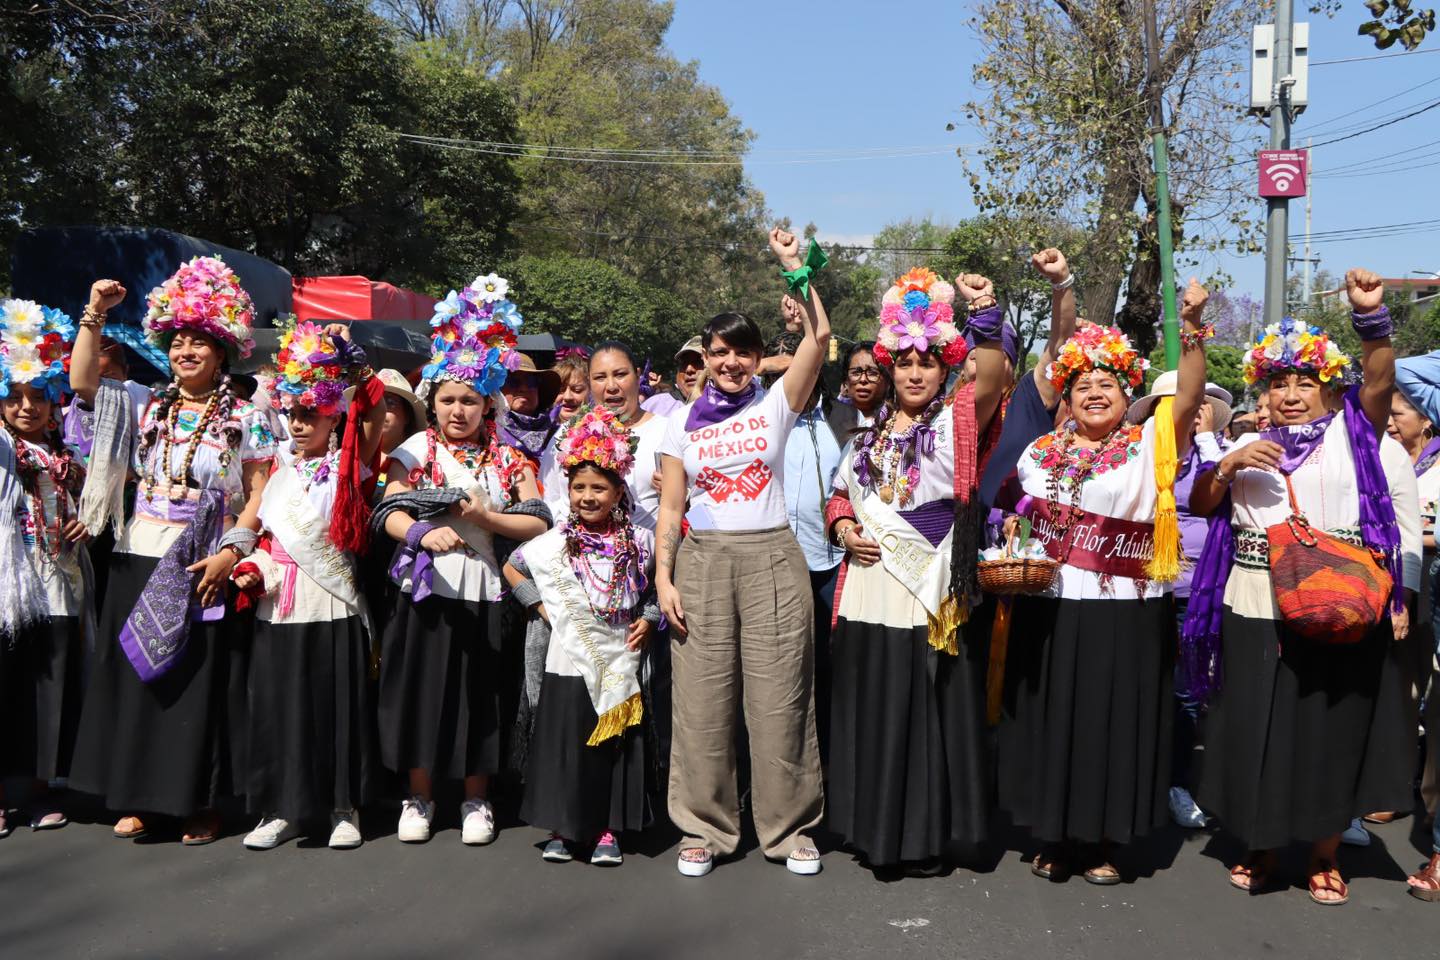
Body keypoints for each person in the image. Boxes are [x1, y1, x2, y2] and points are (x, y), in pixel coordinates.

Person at [1187, 270, 1419, 906]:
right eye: (1279, 382)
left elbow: (1379, 378)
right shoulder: (1244, 441)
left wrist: (1371, 318)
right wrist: (1228, 464)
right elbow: (1208, 503)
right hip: (1256, 601)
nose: (1291, 394)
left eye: (1305, 382)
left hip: (1340, 600)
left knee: (1329, 729)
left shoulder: (1355, 431)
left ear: (1328, 387)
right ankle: (1259, 843)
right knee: (1256, 726)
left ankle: (1322, 853)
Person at [996, 279, 1210, 885]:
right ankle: (1056, 834)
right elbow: (1017, 516)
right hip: (1052, 606)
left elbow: (1188, 395)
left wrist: (1190, 327)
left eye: (1106, 384)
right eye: (1082, 385)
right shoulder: (1038, 453)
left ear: (1126, 393)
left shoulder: (1148, 445)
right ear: (1066, 398)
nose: (1094, 393)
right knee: (1054, 720)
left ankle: (1107, 840)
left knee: (1112, 725)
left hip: (1125, 612)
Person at [68, 260, 276, 845]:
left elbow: (260, 489)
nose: (186, 351)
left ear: (221, 353)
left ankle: (200, 804)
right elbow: (84, 383)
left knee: (197, 682)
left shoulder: (247, 415)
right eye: (178, 342)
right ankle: (139, 796)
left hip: (202, 558)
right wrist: (95, 312)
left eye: (199, 342)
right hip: (139, 550)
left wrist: (232, 553)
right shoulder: (143, 403)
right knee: (138, 675)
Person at [820, 265, 1011, 873]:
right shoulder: (864, 437)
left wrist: (983, 314)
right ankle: (867, 826)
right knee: (871, 707)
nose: (914, 373)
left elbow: (994, 377)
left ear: (945, 367)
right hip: (868, 593)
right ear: (887, 369)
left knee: (921, 712)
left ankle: (920, 835)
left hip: (925, 592)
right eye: (903, 363)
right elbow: (840, 497)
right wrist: (845, 529)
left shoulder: (958, 423)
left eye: (927, 363)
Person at [655, 226, 830, 878]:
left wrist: (796, 271)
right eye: (720, 352)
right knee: (702, 702)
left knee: (781, 699)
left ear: (758, 358)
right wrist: (664, 578)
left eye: (743, 352)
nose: (731, 362)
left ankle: (789, 831)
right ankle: (704, 828)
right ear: (704, 356)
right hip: (702, 562)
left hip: (773, 560)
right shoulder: (679, 421)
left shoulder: (778, 404)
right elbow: (671, 507)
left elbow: (819, 339)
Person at [374, 273, 550, 846]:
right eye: (447, 399)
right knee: (421, 692)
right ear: (432, 403)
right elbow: (388, 512)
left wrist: (484, 521)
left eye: (468, 400)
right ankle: (419, 796)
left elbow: (539, 519)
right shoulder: (413, 452)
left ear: (486, 404)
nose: (457, 409)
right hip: (423, 592)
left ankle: (477, 797)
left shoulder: (510, 456)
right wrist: (422, 536)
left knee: (484, 694)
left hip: (487, 590)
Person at [230, 320, 385, 851]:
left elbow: (374, 407)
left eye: (311, 415)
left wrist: (351, 360)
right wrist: (246, 562)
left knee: (335, 705)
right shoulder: (275, 468)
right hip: (281, 601)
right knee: (278, 705)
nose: (299, 424)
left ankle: (344, 807)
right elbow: (264, 529)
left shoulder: (351, 466)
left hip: (332, 598)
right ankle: (280, 808)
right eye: (293, 414)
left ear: (331, 416)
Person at [504, 406, 658, 866]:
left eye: (599, 488)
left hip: (618, 658)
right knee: (565, 743)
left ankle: (608, 828)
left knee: (612, 745)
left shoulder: (638, 541)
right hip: (567, 658)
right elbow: (513, 567)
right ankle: (563, 828)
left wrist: (649, 617)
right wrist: (538, 603)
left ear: (617, 491)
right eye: (579, 487)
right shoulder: (554, 541)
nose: (588, 497)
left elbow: (656, 586)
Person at [1127, 373, 1233, 830]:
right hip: (1142, 588)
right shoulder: (1136, 454)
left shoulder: (1220, 453)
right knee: (1140, 687)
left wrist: (1208, 441)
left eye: (1193, 404)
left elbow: (1225, 492)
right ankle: (1135, 779)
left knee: (1187, 695)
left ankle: (1177, 782)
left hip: (1197, 594)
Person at [0, 297, 88, 837]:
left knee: (48, 685)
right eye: (14, 396)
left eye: (39, 396)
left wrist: (83, 525)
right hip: (10, 583)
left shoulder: (65, 458)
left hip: (59, 579)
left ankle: (37, 787)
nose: (27, 408)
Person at [542, 342, 668, 533]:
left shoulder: (668, 431)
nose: (611, 386)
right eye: (600, 377)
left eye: (620, 374)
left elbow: (697, 507)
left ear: (637, 375)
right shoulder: (567, 435)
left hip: (647, 559)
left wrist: (681, 494)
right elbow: (550, 501)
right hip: (574, 556)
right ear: (590, 383)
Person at [498, 354, 563, 464]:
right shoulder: (489, 433)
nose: (523, 388)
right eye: (513, 381)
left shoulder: (558, 433)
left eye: (531, 382)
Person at [643, 338, 704, 417]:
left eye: (698, 362)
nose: (689, 369)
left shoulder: (724, 408)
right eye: (684, 363)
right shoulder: (653, 406)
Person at [838, 342, 888, 426]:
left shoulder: (896, 423)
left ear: (888, 381)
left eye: (872, 373)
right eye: (856, 373)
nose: (863, 379)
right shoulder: (830, 418)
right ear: (846, 382)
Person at [551, 354, 590, 425]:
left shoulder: (603, 431)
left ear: (590, 391)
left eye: (577, 390)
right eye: (560, 390)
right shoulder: (539, 428)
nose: (567, 397)